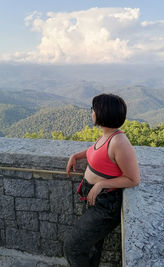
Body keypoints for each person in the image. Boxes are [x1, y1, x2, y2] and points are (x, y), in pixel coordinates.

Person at [63, 93, 140, 267]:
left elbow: (133, 179)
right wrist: (76, 155)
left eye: (93, 109)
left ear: (103, 113)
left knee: (72, 247)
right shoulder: (106, 135)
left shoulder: (119, 141)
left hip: (106, 204)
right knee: (93, 246)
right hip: (96, 199)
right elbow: (94, 152)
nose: (91, 112)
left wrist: (101, 184)